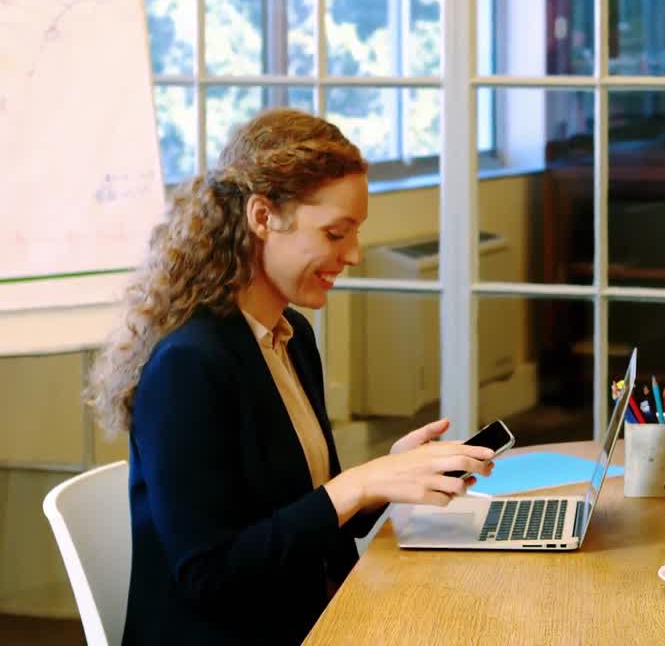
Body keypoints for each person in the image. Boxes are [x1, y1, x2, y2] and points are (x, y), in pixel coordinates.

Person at [85, 108, 496, 644]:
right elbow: (212, 576)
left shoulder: (290, 336)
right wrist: (357, 485)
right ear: (263, 217)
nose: (352, 255)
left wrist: (384, 480)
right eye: (334, 233)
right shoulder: (188, 366)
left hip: (309, 616)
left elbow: (303, 522)